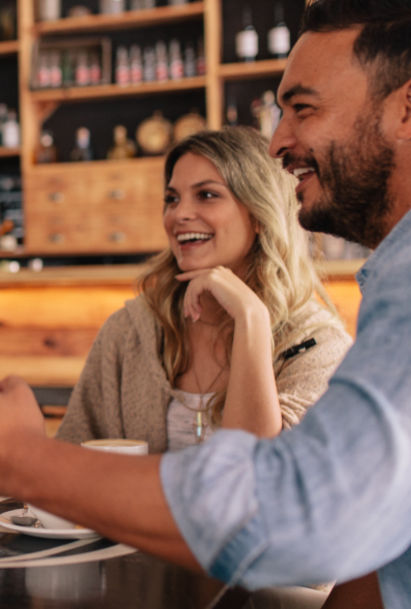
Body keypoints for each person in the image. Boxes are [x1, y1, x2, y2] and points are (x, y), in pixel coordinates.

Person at [0, 0, 411, 608]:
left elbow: (300, 517)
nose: (279, 141)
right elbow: (401, 539)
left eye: (304, 108)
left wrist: (20, 459)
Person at [57, 127, 350, 453]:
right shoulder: (129, 332)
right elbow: (68, 459)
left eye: (207, 195)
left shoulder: (319, 347)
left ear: (259, 214)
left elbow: (257, 468)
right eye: (172, 199)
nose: (179, 214)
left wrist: (250, 317)